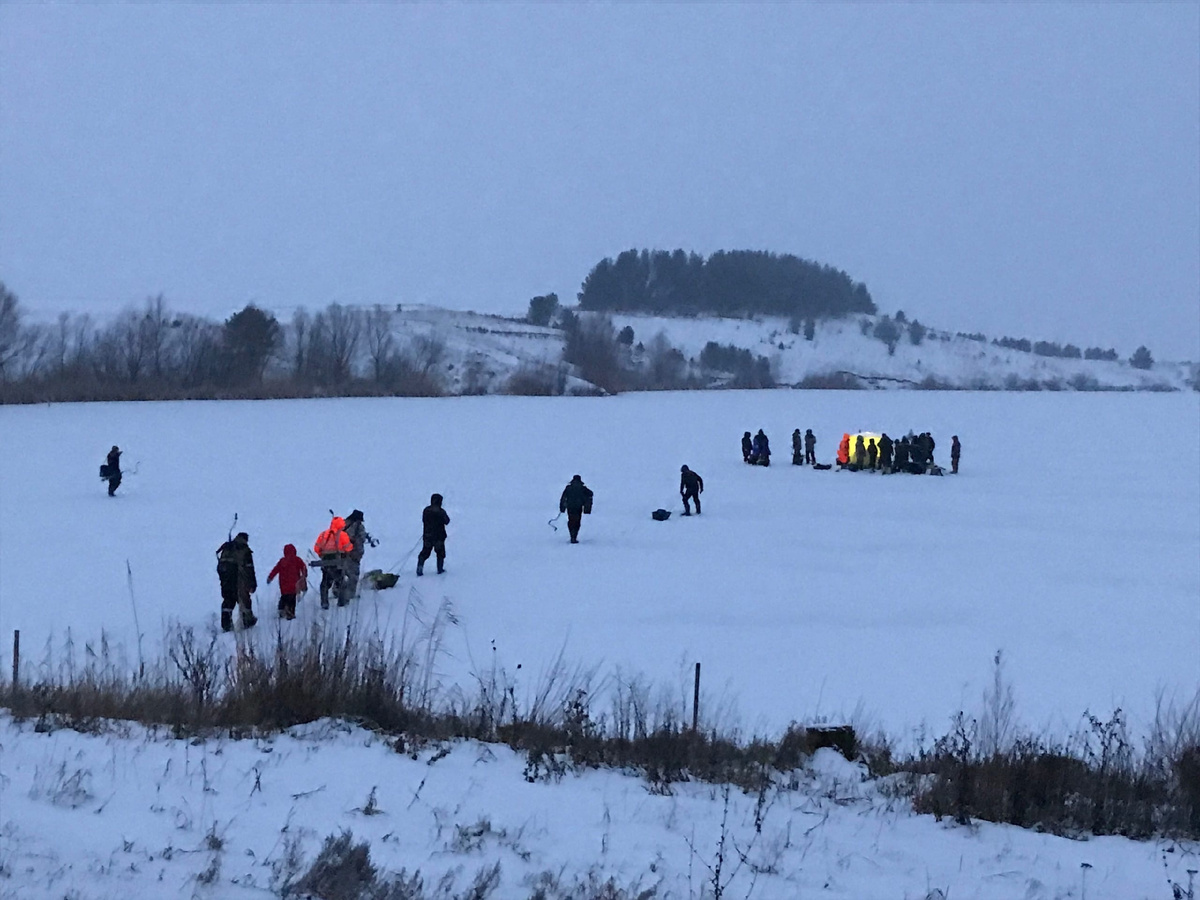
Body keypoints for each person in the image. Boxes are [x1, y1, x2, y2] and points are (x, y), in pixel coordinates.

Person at [216, 532, 258, 632]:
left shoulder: (227, 547)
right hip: (239, 578)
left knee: (228, 599)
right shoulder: (244, 550)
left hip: (225, 578)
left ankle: (226, 624)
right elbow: (249, 568)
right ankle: (247, 621)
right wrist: (252, 583)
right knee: (244, 599)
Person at [313, 515, 354, 608]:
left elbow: (316, 548)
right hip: (338, 562)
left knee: (325, 582)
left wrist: (322, 555)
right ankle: (341, 602)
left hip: (325, 562)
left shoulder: (323, 534)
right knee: (340, 582)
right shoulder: (342, 535)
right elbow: (348, 548)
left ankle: (324, 602)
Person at [267, 544, 308, 620]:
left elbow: (275, 570)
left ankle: (281, 609)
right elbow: (303, 567)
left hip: (283, 585)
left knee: (284, 597)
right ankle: (290, 613)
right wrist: (304, 575)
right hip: (294, 584)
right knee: (292, 599)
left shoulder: (282, 561)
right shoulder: (297, 560)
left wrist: (270, 577)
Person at [343, 510, 376, 598]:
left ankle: (336, 591)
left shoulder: (342, 524)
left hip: (340, 554)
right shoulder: (358, 526)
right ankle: (350, 595)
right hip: (353, 554)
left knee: (340, 573)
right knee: (353, 575)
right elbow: (361, 538)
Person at [417, 493, 450, 575]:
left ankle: (419, 568)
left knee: (425, 553)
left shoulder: (426, 510)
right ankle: (440, 569)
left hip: (428, 536)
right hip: (439, 537)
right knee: (440, 553)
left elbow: (424, 520)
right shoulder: (441, 512)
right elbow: (447, 521)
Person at [559, 475, 593, 544]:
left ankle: (572, 536)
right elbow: (591, 493)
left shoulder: (568, 488)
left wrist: (562, 508)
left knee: (571, 521)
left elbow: (563, 498)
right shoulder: (583, 488)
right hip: (578, 507)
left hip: (570, 507)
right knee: (577, 522)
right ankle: (574, 536)